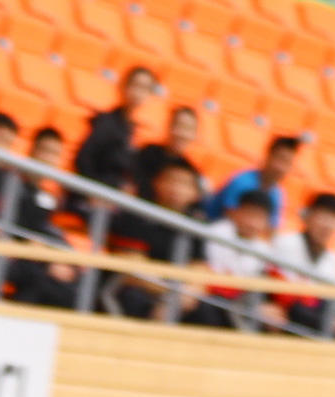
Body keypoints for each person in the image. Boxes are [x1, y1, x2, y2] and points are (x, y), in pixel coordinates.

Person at [103, 158, 205, 319]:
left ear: (195, 193)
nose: (176, 188)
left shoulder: (196, 224)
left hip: (175, 293)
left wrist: (189, 292)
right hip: (138, 288)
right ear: (157, 182)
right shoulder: (137, 215)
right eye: (171, 180)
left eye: (184, 183)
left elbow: (199, 269)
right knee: (134, 299)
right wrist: (172, 292)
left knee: (205, 310)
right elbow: (132, 266)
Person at [2, 127, 83, 308]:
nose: (48, 159)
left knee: (76, 283)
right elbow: (14, 230)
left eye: (55, 154)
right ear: (32, 150)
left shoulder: (49, 197)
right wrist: (47, 262)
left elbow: (44, 231)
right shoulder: (10, 184)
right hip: (12, 254)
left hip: (35, 256)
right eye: (45, 151)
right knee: (43, 280)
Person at [272, 192, 335, 339]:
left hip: (314, 319)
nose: (327, 225)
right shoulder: (286, 243)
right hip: (286, 314)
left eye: (333, 219)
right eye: (322, 217)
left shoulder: (334, 261)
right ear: (308, 217)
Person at [189, 189, 283, 329]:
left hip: (239, 305)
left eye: (259, 218)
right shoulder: (213, 233)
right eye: (250, 214)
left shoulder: (264, 252)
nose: (253, 223)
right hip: (207, 297)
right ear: (236, 212)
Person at [72, 65, 157, 197]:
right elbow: (84, 159)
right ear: (124, 86)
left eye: (145, 88)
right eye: (136, 85)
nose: (138, 93)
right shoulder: (106, 123)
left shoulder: (133, 130)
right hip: (93, 194)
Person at [206, 135, 299, 227]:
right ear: (269, 156)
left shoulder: (278, 194)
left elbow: (271, 229)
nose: (281, 168)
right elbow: (230, 218)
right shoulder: (242, 181)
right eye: (280, 159)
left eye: (288, 163)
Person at [134, 105, 202, 204]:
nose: (182, 133)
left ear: (195, 135)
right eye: (179, 126)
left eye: (188, 129)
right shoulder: (149, 152)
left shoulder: (190, 171)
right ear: (169, 126)